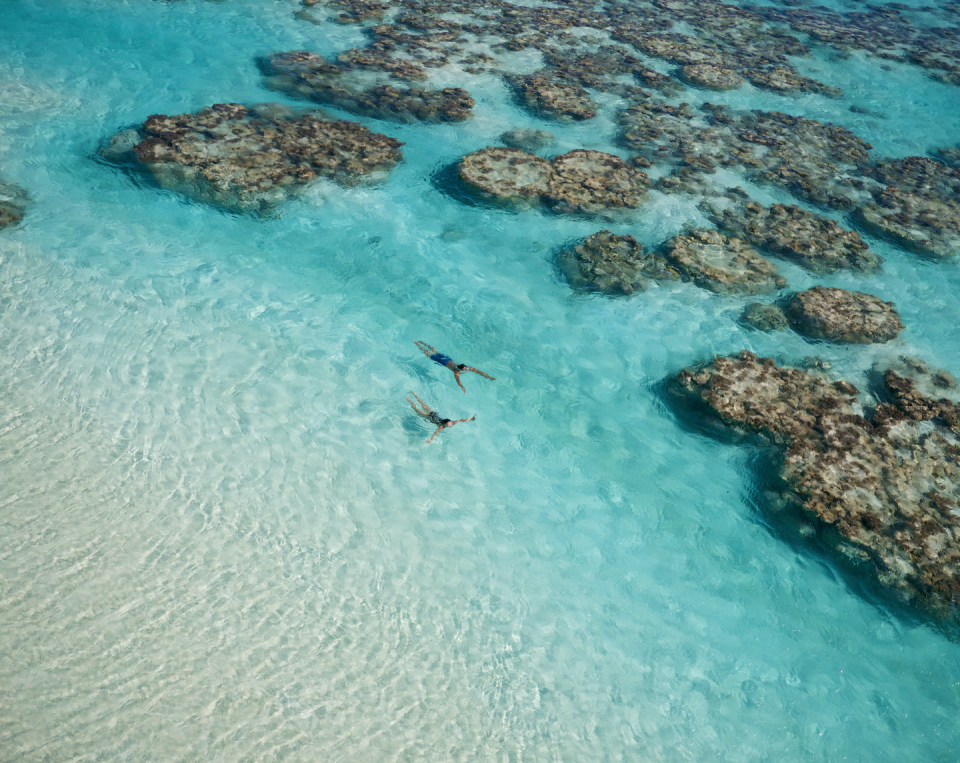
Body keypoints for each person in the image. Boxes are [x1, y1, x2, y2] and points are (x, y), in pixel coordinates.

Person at [414, 340, 495, 393]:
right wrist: (462, 387)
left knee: (434, 351)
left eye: (466, 368)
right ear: (461, 369)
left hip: (447, 359)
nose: (467, 369)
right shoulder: (456, 372)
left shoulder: (463, 367)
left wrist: (489, 377)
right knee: (428, 353)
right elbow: (458, 381)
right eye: (465, 369)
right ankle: (417, 344)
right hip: (443, 361)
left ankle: (421, 342)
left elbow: (478, 371)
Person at [406, 392, 475, 444]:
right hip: (430, 417)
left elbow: (461, 420)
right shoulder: (441, 426)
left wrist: (471, 419)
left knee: (423, 404)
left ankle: (415, 394)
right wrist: (431, 439)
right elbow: (436, 432)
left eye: (450, 424)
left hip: (433, 413)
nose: (450, 425)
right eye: (449, 425)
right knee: (416, 410)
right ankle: (410, 401)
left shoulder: (452, 423)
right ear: (445, 424)